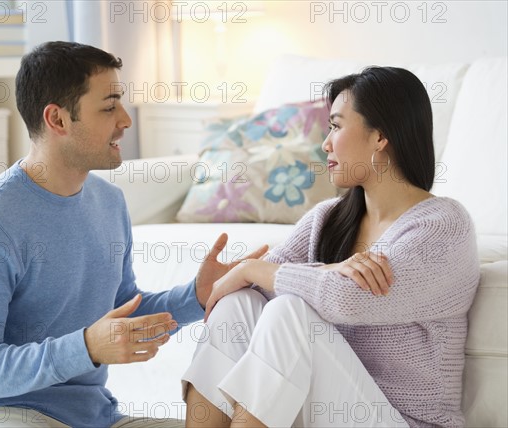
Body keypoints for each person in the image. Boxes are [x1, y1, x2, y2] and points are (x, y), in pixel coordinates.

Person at [0, 41, 266, 428]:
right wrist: (86, 347)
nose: (126, 120)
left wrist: (196, 295)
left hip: (94, 418)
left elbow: (123, 310)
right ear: (58, 120)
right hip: (2, 415)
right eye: (109, 107)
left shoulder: (109, 202)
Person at [182, 66, 480, 427]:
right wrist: (320, 272)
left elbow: (349, 298)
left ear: (380, 136)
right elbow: (255, 288)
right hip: (329, 413)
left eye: (337, 126)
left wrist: (249, 267)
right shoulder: (327, 218)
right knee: (238, 305)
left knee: (287, 312)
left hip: (404, 421)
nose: (326, 143)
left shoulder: (442, 228)